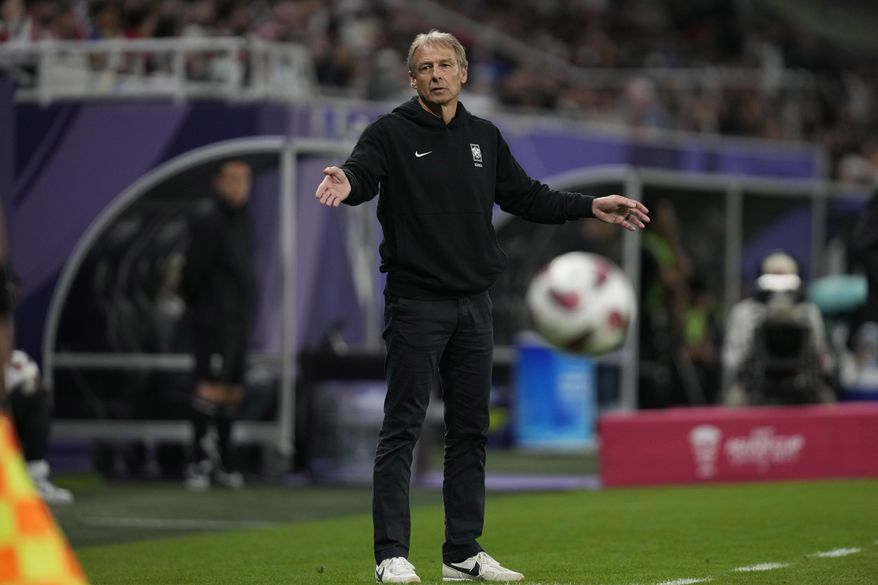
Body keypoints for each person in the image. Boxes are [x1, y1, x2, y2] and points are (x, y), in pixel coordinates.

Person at [314, 30, 650, 584]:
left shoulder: (484, 137)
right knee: (403, 428)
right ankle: (391, 555)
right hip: (417, 304)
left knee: (470, 431)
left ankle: (462, 553)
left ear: (463, 73)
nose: (436, 74)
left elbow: (528, 196)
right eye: (425, 67)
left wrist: (591, 205)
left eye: (445, 65)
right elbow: (362, 174)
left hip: (474, 305)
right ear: (412, 78)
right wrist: (346, 180)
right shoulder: (389, 133)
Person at [181, 159, 255, 491]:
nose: (239, 186)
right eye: (233, 179)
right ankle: (199, 463)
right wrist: (203, 309)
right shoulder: (207, 218)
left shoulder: (243, 219)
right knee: (209, 386)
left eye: (245, 180)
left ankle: (225, 463)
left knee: (232, 390)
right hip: (214, 320)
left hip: (238, 321)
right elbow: (193, 272)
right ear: (218, 182)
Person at [722, 251, 834, 405]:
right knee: (734, 402)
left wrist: (814, 358)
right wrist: (750, 352)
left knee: (827, 401)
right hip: (756, 386)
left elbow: (825, 359)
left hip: (800, 384)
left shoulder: (809, 313)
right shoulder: (744, 312)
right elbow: (730, 358)